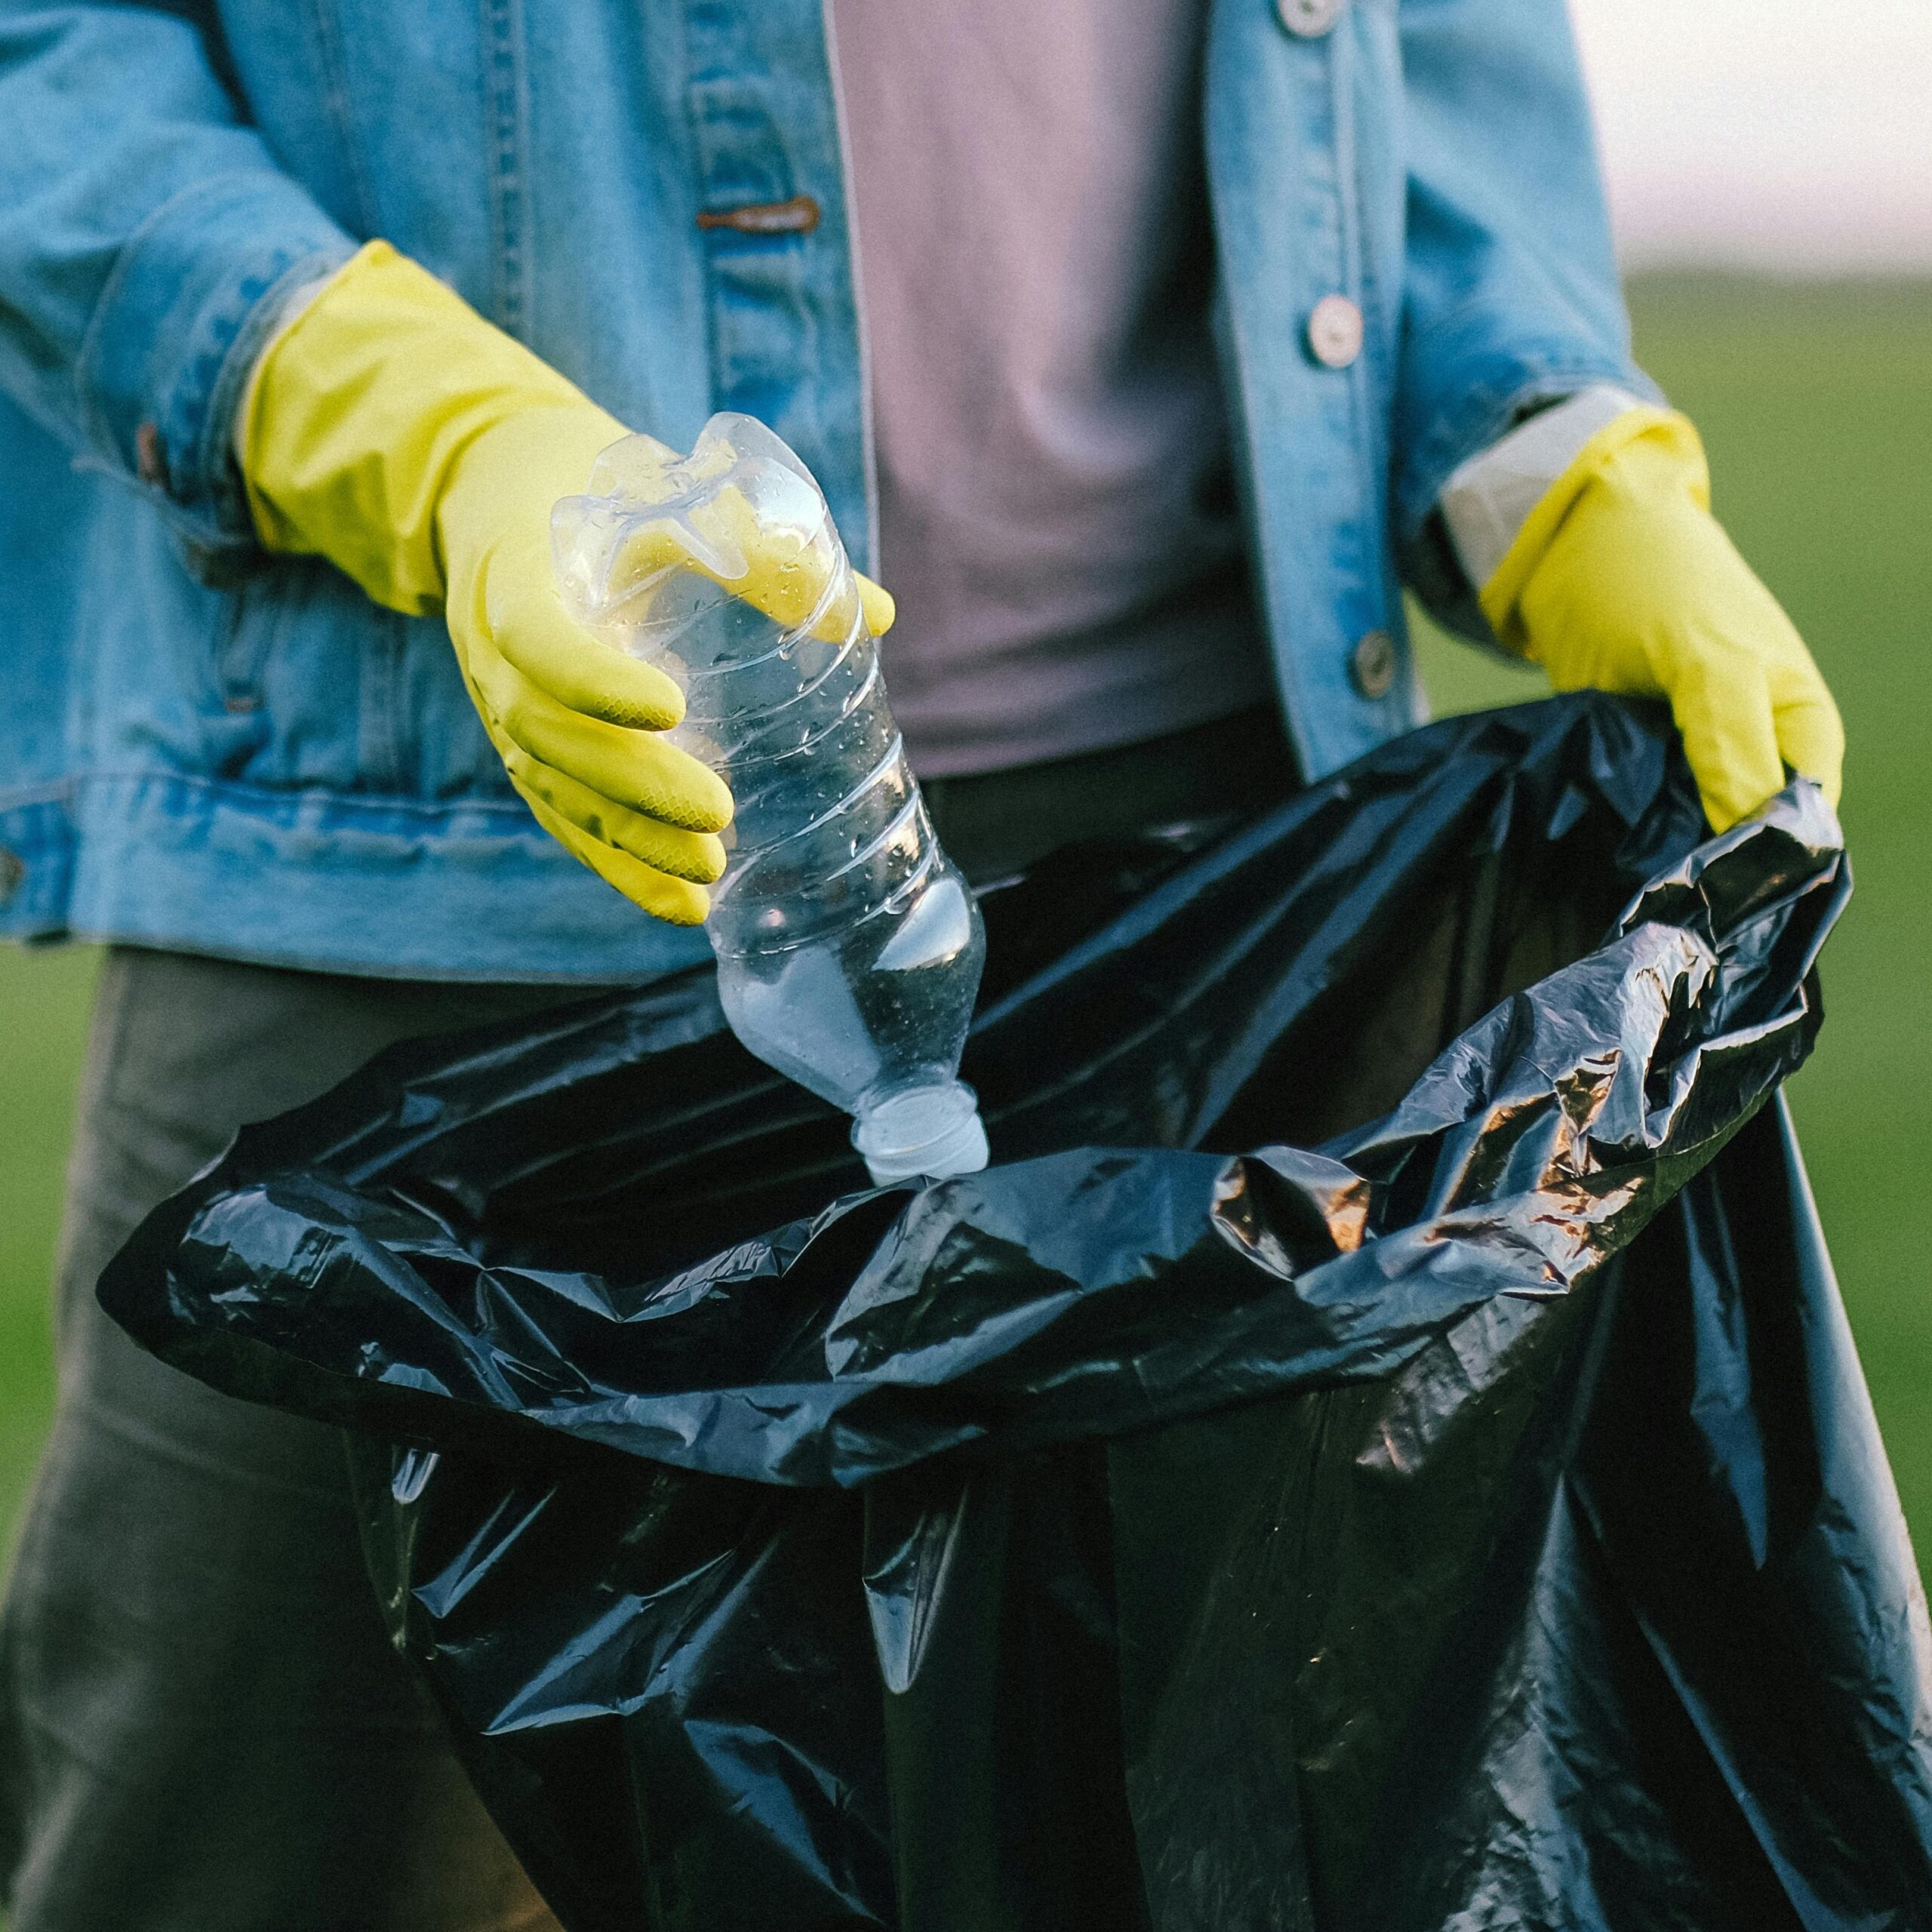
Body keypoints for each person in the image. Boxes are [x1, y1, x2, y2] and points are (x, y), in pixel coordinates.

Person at [0, 2, 1843, 1927]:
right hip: (420, 834)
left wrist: (1542, 446)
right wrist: (425, 432)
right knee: (245, 1848)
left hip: (1200, 850)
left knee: (1186, 1853)